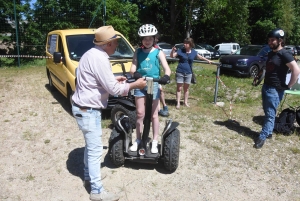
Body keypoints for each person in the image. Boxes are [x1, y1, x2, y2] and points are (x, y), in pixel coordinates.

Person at [71, 25, 146, 201]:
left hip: (81, 107)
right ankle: (97, 191)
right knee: (95, 150)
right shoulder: (100, 58)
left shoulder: (90, 54)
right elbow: (113, 90)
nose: (117, 45)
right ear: (108, 43)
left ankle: (89, 176)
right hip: (89, 110)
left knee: (91, 146)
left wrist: (113, 79)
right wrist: (135, 85)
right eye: (116, 42)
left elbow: (96, 80)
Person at [254, 28, 300, 149]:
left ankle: (263, 136)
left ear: (280, 40)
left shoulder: (284, 54)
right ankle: (269, 132)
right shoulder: (271, 53)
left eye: (272, 40)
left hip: (275, 89)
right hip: (266, 86)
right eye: (269, 40)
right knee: (267, 110)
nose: (270, 42)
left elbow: (296, 70)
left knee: (270, 114)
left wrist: (289, 85)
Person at [129, 24, 171, 153]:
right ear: (141, 40)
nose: (147, 41)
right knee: (140, 113)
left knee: (153, 115)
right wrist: (135, 74)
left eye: (150, 38)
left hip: (153, 83)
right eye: (144, 38)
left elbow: (167, 68)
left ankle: (154, 141)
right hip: (141, 83)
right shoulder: (138, 51)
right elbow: (133, 67)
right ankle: (138, 139)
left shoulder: (158, 52)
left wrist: (166, 76)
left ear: (154, 39)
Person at [170, 37, 212, 109]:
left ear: (190, 44)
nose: (185, 44)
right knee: (179, 88)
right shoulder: (181, 51)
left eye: (186, 43)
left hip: (189, 73)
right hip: (180, 71)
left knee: (186, 89)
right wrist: (172, 50)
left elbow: (200, 57)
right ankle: (178, 103)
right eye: (184, 43)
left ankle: (185, 102)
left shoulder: (193, 52)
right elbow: (172, 56)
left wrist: (208, 60)